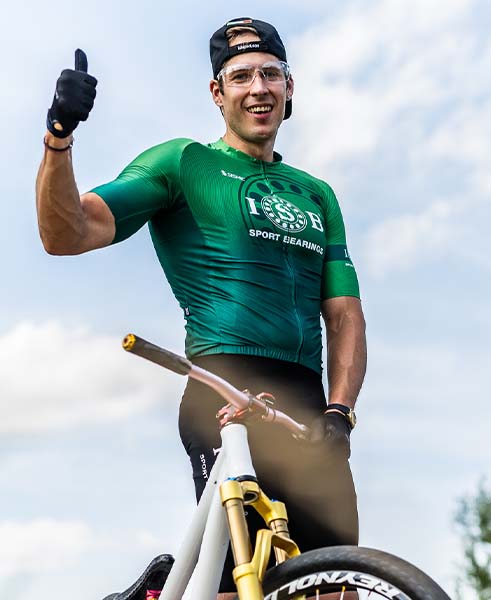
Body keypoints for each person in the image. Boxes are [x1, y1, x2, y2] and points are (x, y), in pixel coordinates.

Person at [36, 17, 365, 597]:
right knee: (244, 581)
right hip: (226, 383)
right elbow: (68, 232)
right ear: (218, 92)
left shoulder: (317, 194)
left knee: (336, 586)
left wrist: (340, 412)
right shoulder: (182, 163)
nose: (257, 87)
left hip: (309, 404)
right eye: (240, 76)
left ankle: (164, 588)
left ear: (291, 87)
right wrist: (59, 137)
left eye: (270, 74)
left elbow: (343, 316)